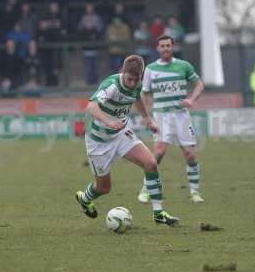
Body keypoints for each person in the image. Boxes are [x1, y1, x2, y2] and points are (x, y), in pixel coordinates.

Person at [75, 55, 179, 226]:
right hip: (99, 142)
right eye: (130, 79)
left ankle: (158, 213)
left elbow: (137, 97)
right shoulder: (112, 85)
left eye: (136, 79)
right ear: (123, 72)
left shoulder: (137, 83)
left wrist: (146, 118)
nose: (132, 83)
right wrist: (109, 121)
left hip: (122, 134)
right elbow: (91, 106)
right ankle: (84, 199)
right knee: (103, 188)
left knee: (151, 163)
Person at [136, 35, 205, 203]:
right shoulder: (151, 69)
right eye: (162, 46)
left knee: (190, 155)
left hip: (181, 116)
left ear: (172, 47)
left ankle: (195, 193)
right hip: (161, 116)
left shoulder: (184, 66)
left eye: (168, 45)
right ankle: (146, 190)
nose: (165, 48)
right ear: (157, 49)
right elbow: (144, 93)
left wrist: (191, 99)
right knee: (158, 154)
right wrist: (147, 116)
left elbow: (199, 84)